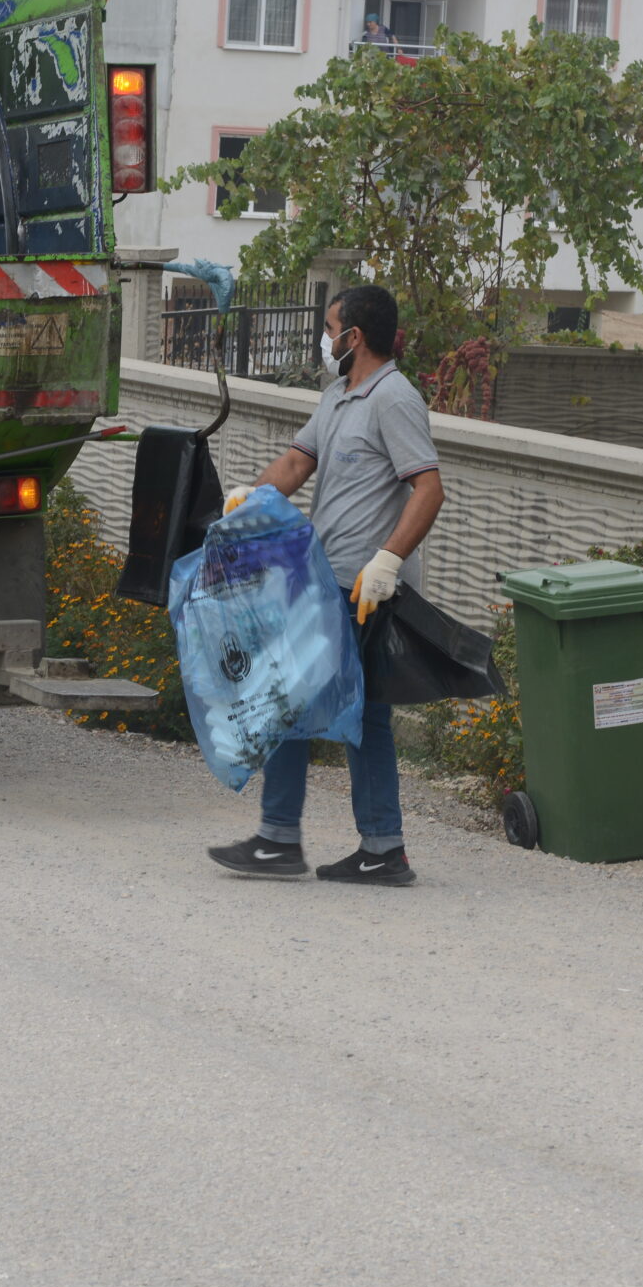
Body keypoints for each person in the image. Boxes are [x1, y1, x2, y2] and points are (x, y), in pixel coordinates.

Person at [206, 284, 444, 886]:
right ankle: (379, 848)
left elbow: (429, 488)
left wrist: (388, 561)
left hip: (364, 587)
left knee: (297, 698)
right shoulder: (338, 395)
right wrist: (246, 502)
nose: (325, 337)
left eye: (329, 326)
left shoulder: (394, 399)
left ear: (353, 338)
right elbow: (294, 465)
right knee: (358, 714)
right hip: (327, 579)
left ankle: (284, 841)